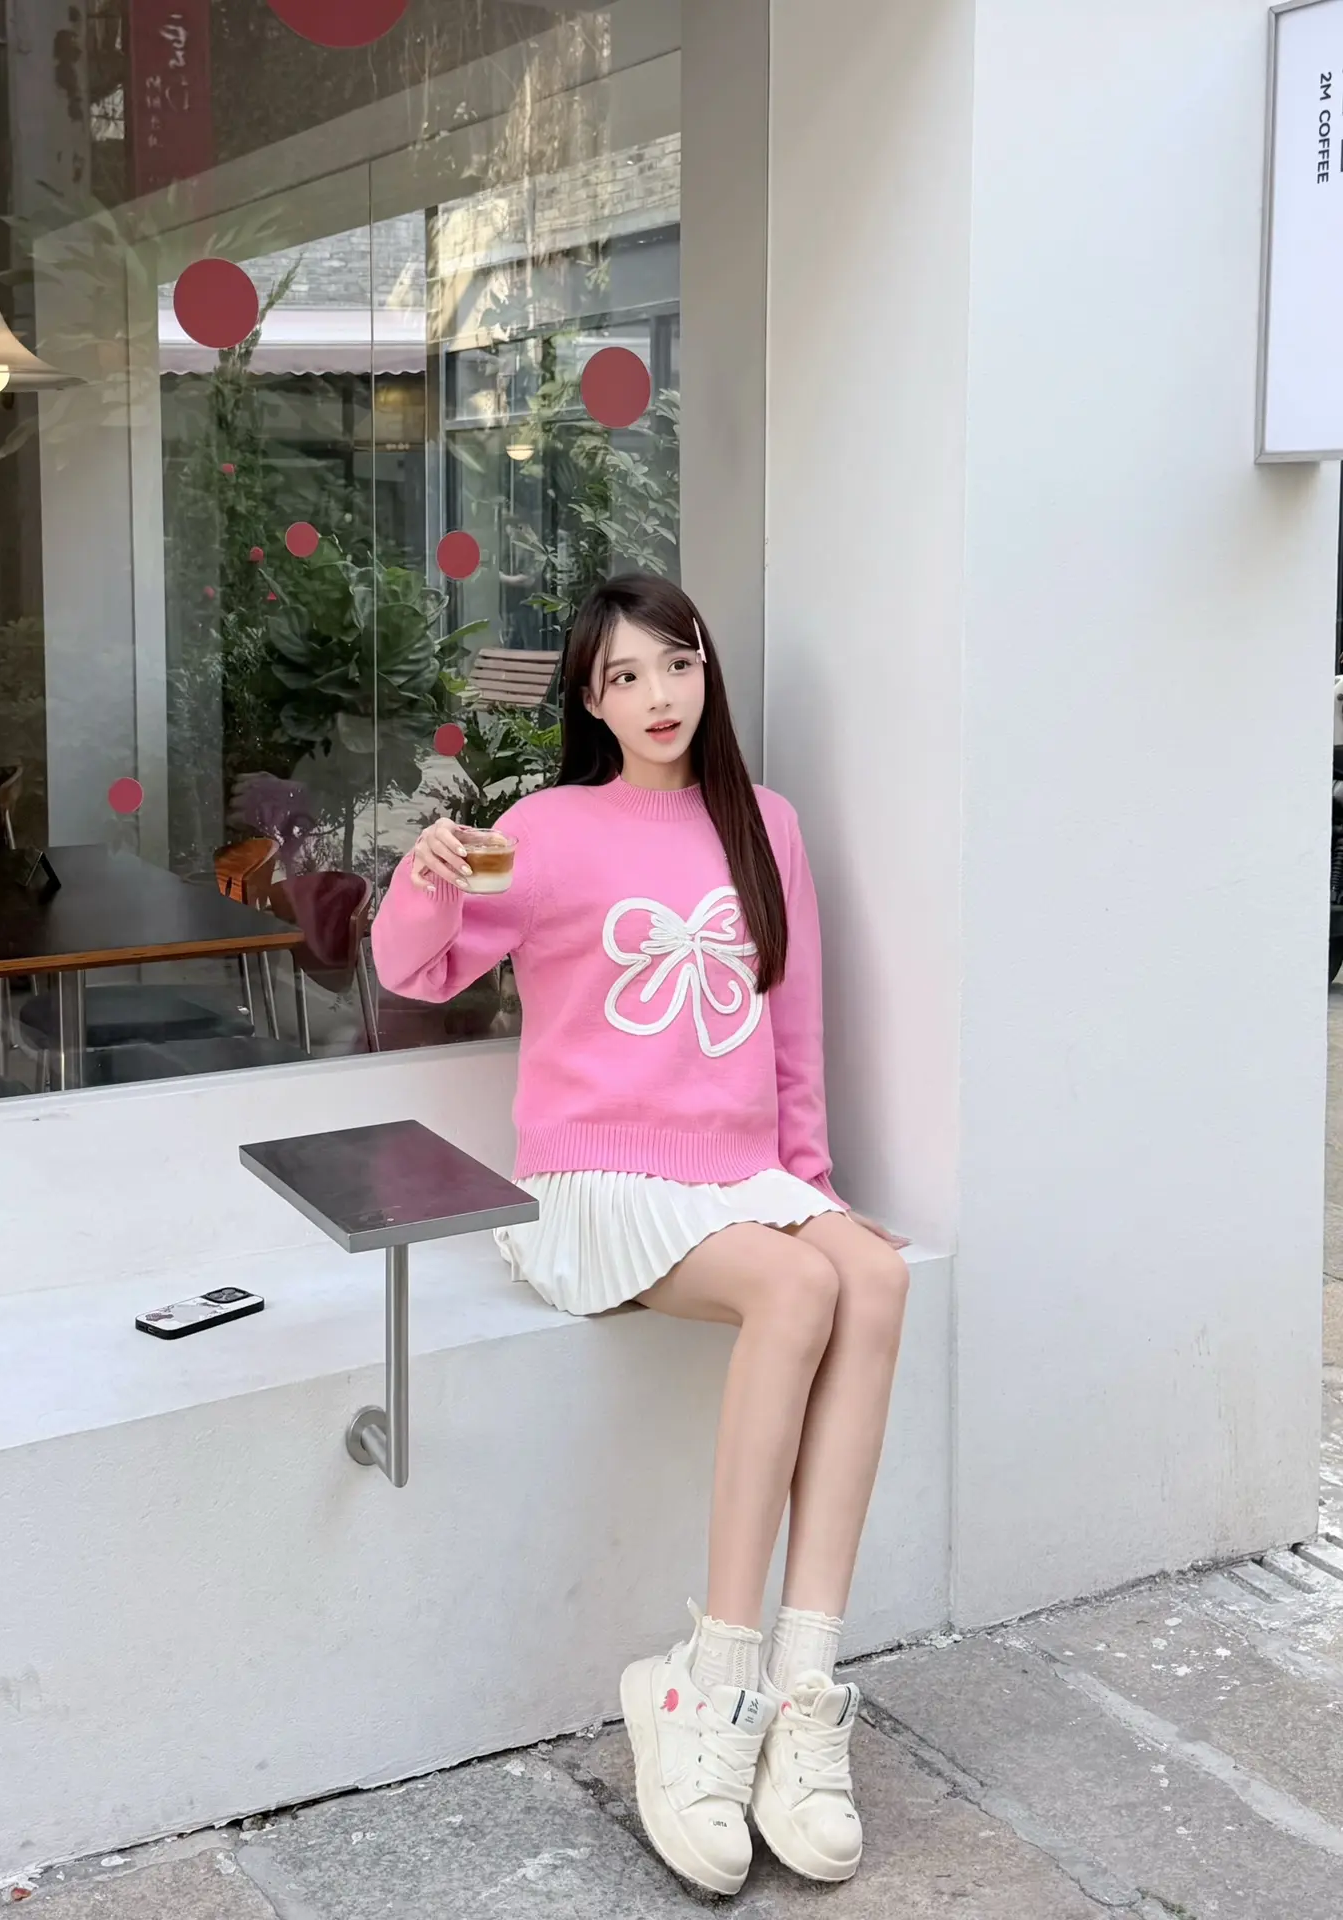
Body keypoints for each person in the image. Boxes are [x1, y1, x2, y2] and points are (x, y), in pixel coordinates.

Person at [371, 573, 909, 1899]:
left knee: (872, 1274)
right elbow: (412, 968)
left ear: (706, 670)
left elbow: (793, 1031)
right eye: (623, 676)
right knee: (796, 1289)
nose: (658, 696)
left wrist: (812, 1187)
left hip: (738, 1176)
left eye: (676, 663)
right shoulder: (542, 828)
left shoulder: (766, 825)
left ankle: (803, 1690)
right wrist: (427, 878)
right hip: (596, 1177)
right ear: (590, 701)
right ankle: (708, 1684)